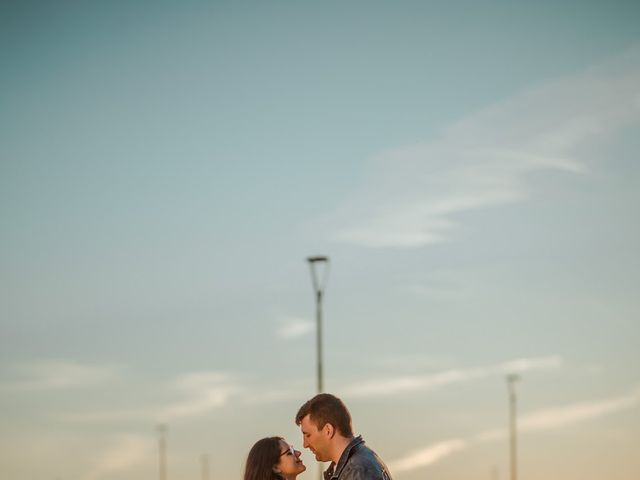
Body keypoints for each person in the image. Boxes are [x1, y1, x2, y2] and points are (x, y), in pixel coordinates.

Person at [295, 393, 392, 480]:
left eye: (308, 435)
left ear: (328, 430)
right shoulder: (358, 464)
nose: (305, 444)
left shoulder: (357, 470)